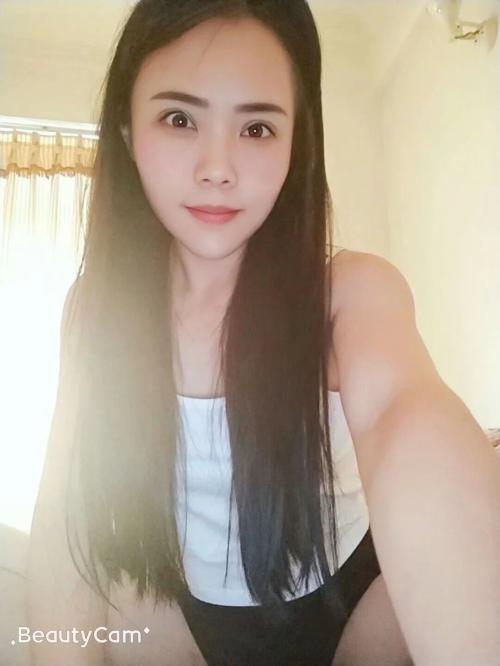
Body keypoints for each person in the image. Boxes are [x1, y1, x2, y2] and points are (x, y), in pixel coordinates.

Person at [27, 1, 500, 665]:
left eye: (257, 128)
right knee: (104, 556)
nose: (217, 167)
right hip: (185, 614)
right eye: (180, 118)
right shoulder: (94, 312)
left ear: (294, 146)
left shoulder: (350, 291)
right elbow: (65, 512)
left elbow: (407, 422)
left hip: (362, 597)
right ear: (129, 132)